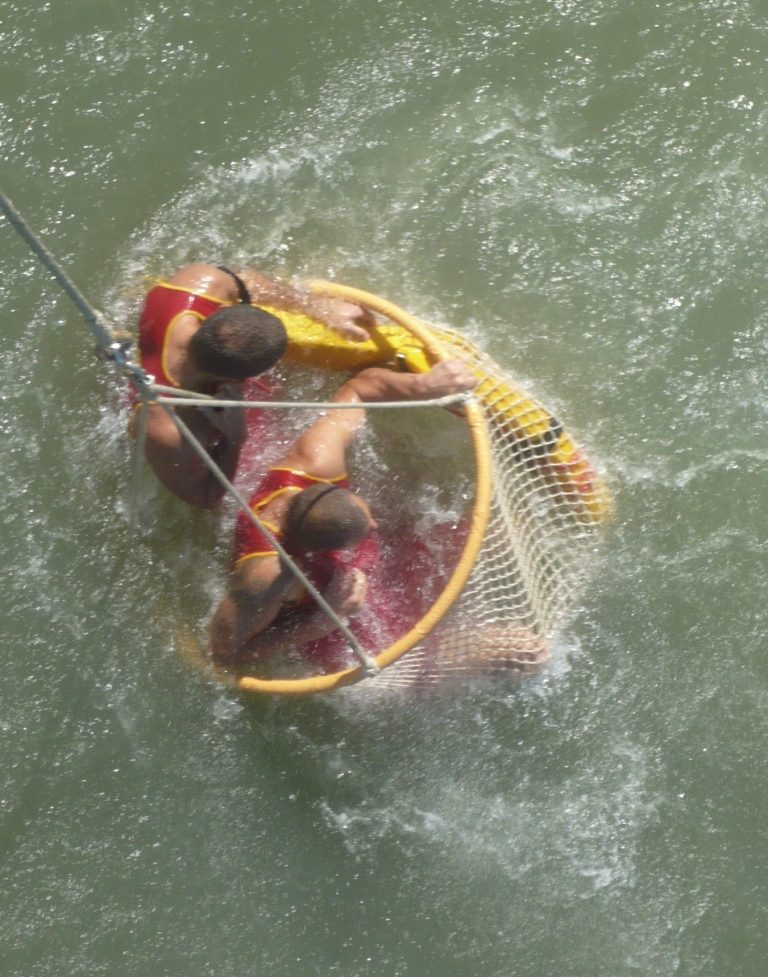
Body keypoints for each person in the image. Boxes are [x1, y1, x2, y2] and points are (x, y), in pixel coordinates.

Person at [209, 360, 479, 668]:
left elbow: (360, 389)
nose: (375, 523)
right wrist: (325, 620)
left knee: (474, 533)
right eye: (366, 529)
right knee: (518, 653)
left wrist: (424, 386)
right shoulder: (266, 577)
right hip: (322, 614)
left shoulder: (315, 462)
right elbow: (225, 653)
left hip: (345, 576)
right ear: (318, 552)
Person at [132, 262, 375, 509]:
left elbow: (246, 282)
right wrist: (234, 439)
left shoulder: (199, 281)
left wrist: (317, 307)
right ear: (238, 382)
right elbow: (204, 498)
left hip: (158, 347)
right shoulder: (170, 429)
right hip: (151, 397)